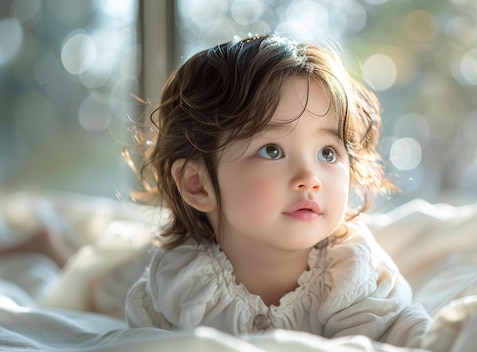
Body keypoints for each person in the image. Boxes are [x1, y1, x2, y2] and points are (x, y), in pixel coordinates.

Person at [124, 33, 432, 348]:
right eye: (272, 150)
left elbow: (412, 338)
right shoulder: (177, 283)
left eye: (327, 153)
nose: (310, 178)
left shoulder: (354, 273)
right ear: (197, 184)